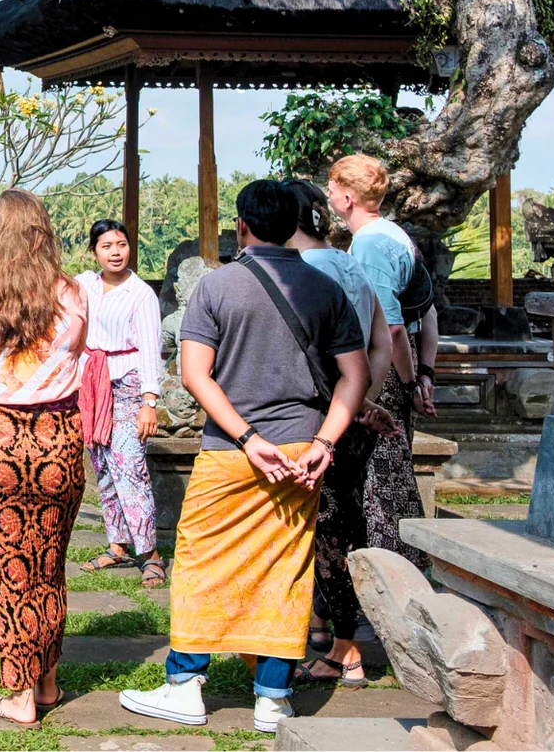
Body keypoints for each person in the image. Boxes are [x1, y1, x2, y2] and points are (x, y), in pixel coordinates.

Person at [119, 179, 369, 735]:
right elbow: (356, 376)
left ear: (242, 226)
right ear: (296, 224)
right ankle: (273, 697)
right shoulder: (325, 289)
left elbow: (195, 374)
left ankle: (185, 684)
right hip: (302, 450)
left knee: (202, 560)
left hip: (232, 449)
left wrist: (248, 437)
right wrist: (325, 443)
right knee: (286, 568)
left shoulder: (216, 286)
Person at [0, 189, 90, 728]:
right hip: (58, 436)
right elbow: (78, 353)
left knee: (7, 569)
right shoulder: (71, 294)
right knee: (49, 563)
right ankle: (47, 679)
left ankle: (18, 692)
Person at [285, 178, 400, 688]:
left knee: (326, 532)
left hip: (315, 421)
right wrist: (361, 400)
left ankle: (344, 650)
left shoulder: (301, 272)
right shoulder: (350, 263)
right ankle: (333, 633)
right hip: (351, 415)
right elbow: (381, 342)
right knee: (346, 526)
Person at [325, 155, 433, 572]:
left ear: (348, 198)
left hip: (382, 370)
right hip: (400, 367)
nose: (328, 196)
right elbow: (427, 310)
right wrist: (424, 373)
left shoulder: (369, 245)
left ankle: (393, 569)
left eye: (332, 189)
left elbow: (391, 328)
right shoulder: (395, 235)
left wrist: (406, 383)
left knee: (381, 479)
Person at [74, 219, 166, 589]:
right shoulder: (85, 285)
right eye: (107, 246)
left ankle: (151, 553)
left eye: (122, 244)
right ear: (93, 251)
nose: (116, 252)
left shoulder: (141, 294)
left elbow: (150, 349)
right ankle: (118, 545)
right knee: (103, 468)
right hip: (93, 384)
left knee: (130, 469)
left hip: (128, 383)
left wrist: (149, 401)